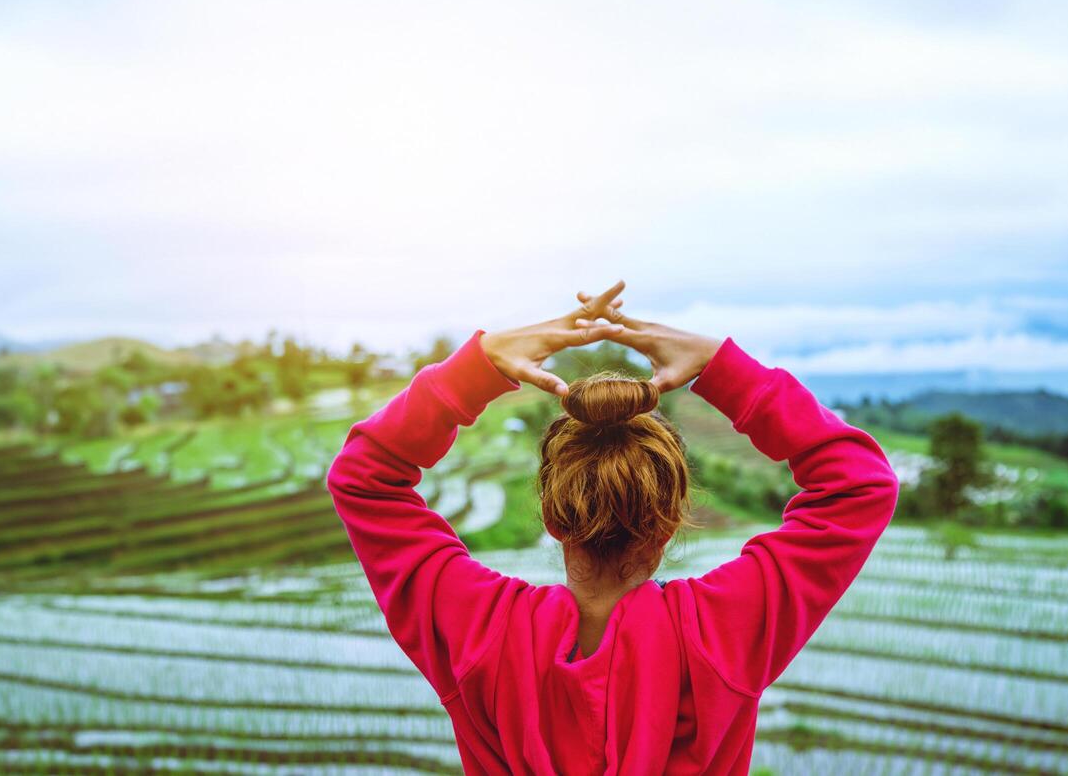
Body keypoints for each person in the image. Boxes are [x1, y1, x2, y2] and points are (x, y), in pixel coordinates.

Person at [326, 281, 900, 775]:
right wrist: (721, 366)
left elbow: (363, 479)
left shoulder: (481, 633)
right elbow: (860, 483)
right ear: (669, 522)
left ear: (553, 518)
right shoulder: (723, 631)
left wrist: (477, 367)